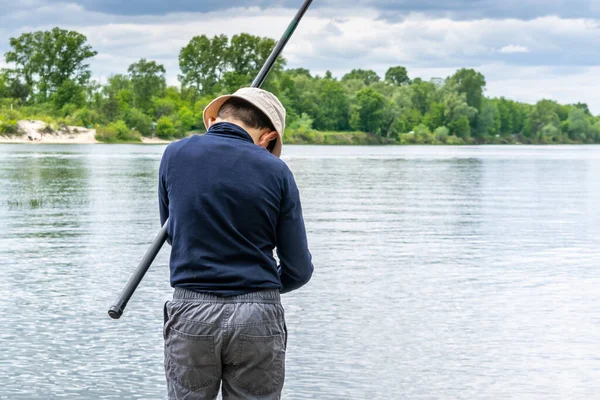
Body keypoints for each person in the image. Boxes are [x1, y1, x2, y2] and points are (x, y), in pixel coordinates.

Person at [158, 87, 314, 400]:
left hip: (192, 311)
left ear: (214, 118)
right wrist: (259, 288)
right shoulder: (277, 170)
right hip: (257, 316)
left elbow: (174, 234)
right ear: (268, 137)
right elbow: (298, 268)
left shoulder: (174, 155)